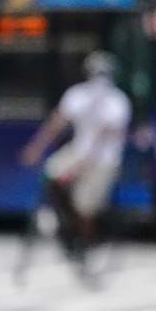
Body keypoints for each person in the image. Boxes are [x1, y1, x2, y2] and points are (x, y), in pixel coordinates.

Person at [19, 51, 131, 256]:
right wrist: (35, 148)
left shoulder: (118, 101)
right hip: (79, 151)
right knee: (50, 173)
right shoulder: (78, 95)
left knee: (86, 205)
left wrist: (85, 163)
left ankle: (87, 240)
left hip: (104, 159)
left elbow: (105, 136)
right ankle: (65, 222)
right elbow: (57, 123)